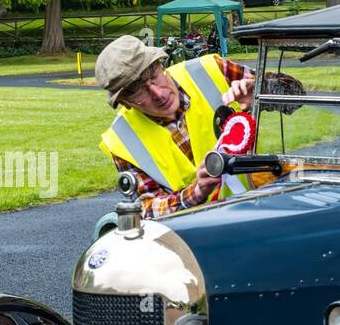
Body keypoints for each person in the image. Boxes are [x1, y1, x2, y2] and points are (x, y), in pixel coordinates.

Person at [96, 35, 255, 217]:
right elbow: (147, 208)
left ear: (161, 66)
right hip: (195, 232)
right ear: (125, 103)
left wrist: (258, 90)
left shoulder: (210, 70)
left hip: (262, 205)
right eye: (139, 91)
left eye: (154, 77)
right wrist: (197, 191)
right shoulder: (121, 140)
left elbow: (292, 95)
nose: (158, 94)